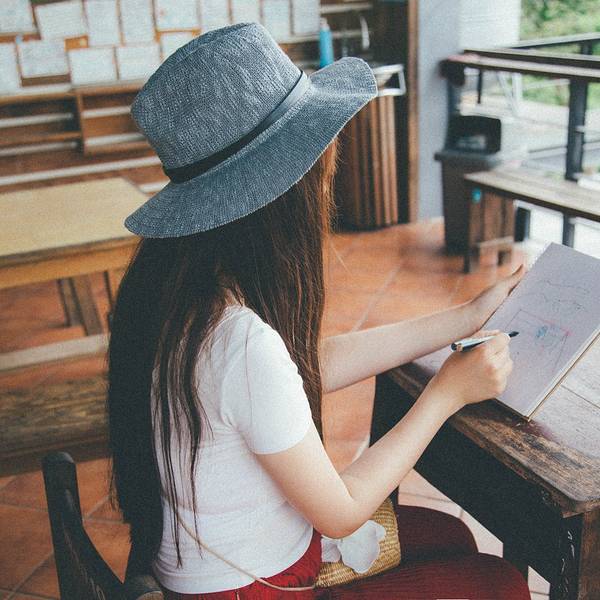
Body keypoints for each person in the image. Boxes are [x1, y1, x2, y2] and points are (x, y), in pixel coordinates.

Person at [108, 23, 531, 599]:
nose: (329, 175)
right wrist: (445, 394)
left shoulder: (180, 293)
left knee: (450, 533)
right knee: (498, 582)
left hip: (228, 564)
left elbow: (302, 366)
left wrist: (466, 316)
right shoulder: (239, 341)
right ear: (280, 194)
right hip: (256, 587)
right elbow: (341, 512)